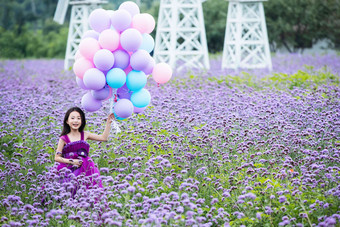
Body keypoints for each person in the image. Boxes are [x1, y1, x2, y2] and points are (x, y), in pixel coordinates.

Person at [54, 106, 115, 191]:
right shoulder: (63, 138)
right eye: (72, 118)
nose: (76, 121)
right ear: (67, 121)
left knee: (88, 190)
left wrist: (108, 123)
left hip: (86, 167)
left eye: (79, 118)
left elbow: (103, 138)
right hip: (68, 170)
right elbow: (57, 157)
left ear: (82, 121)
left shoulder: (85, 134)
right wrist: (72, 161)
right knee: (69, 191)